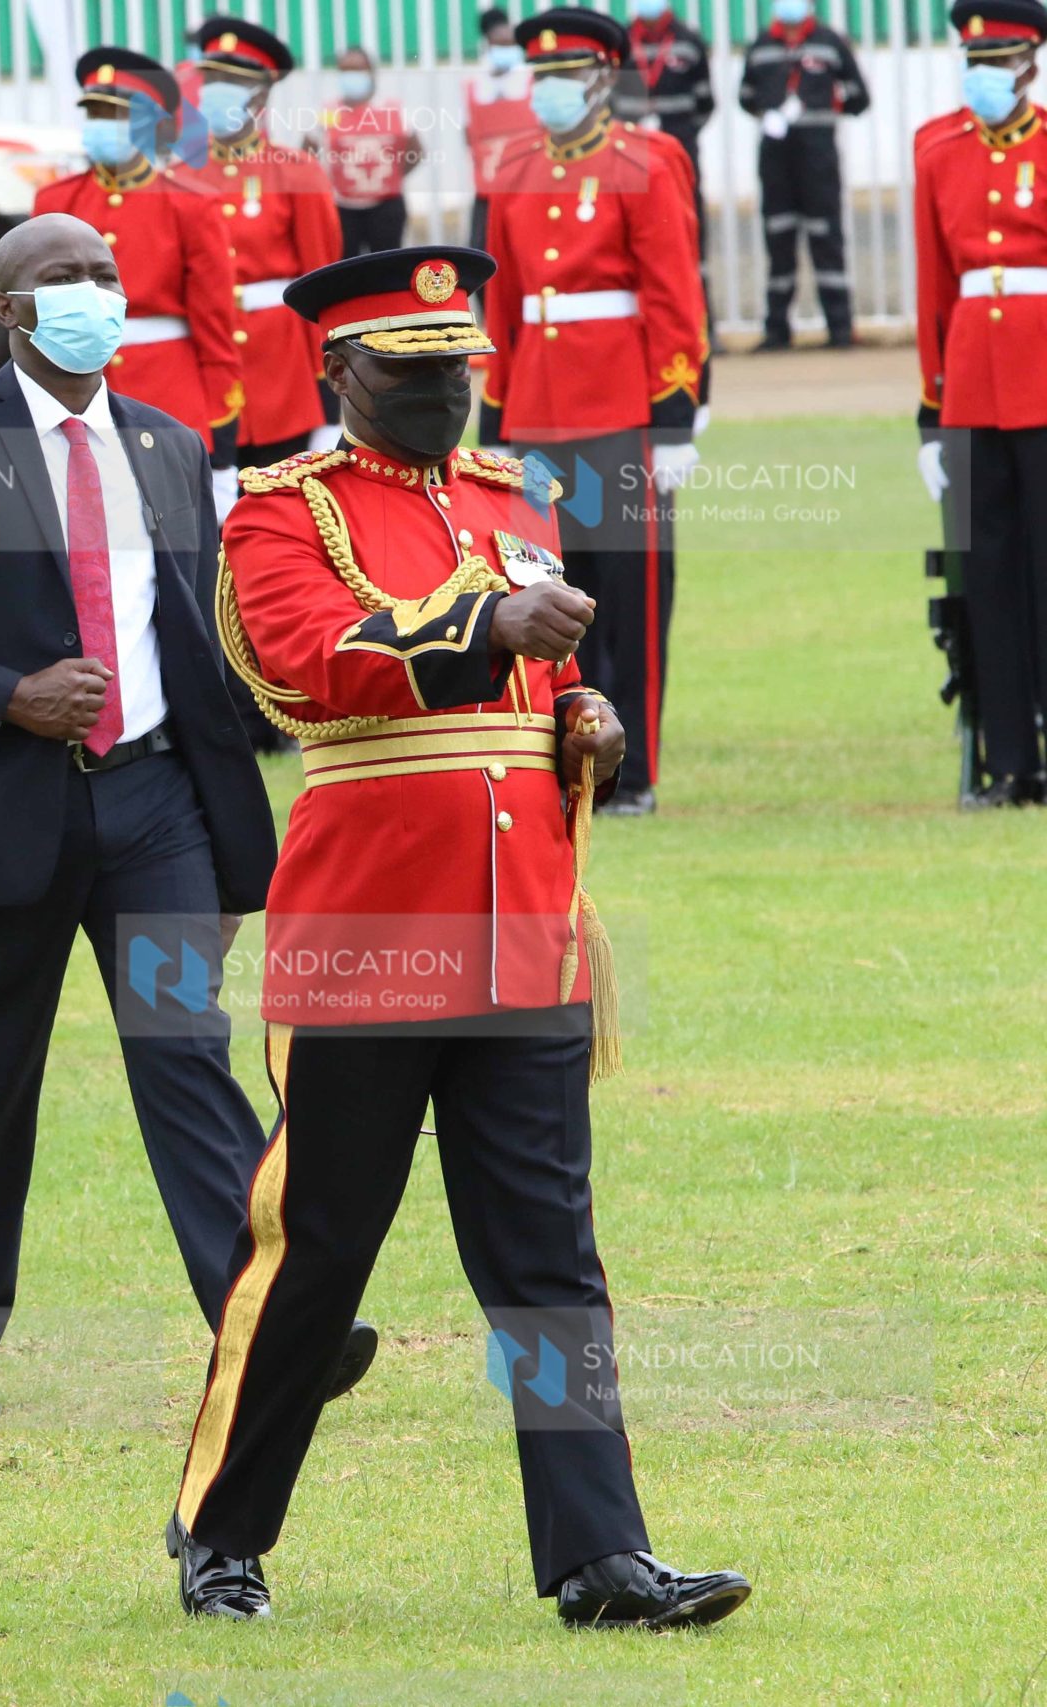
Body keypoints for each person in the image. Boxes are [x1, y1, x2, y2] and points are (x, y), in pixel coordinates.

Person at [170, 243, 752, 1632]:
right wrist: (490, 621)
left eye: (458, 371)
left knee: (551, 1259)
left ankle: (602, 1557)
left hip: (526, 930)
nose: (444, 397)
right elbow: (312, 661)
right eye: (411, 374)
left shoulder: (509, 492)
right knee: (316, 1249)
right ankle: (220, 1531)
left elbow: (544, 679)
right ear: (339, 373)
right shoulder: (280, 511)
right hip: (370, 934)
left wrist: (582, 717)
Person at [0, 213, 379, 1425]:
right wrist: (6, 696)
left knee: (184, 1050)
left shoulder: (167, 443)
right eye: (61, 278)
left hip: (152, 810)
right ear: (7, 310)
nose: (92, 293)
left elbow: (193, 645)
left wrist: (244, 820)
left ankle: (268, 1322)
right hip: (2, 809)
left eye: (103, 274)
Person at [480, 9, 706, 816]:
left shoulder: (646, 160)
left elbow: (674, 295)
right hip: (537, 410)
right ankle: (562, 754)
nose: (551, 92)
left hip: (621, 407)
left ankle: (632, 771)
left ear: (604, 79)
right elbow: (501, 306)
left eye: (567, 77)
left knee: (630, 591)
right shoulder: (513, 167)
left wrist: (674, 419)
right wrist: (496, 427)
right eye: (541, 78)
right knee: (544, 586)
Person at [915, 0, 1047, 805]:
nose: (983, 77)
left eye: (997, 63)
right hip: (969, 386)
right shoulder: (938, 149)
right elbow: (935, 284)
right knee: (987, 577)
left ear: (1028, 65)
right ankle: (1011, 760)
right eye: (975, 63)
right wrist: (932, 414)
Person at [34, 48, 244, 479]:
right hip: (73, 390)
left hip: (165, 388)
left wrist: (220, 407)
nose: (100, 125)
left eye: (115, 115)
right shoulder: (56, 201)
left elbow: (214, 318)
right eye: (94, 114)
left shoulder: (189, 205)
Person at [181, 17, 345, 488]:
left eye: (229, 82)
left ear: (260, 95)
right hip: (205, 371)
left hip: (282, 377)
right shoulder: (181, 176)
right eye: (211, 80)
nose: (214, 92)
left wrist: (327, 399)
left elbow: (322, 292)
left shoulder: (296, 173)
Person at [738, 0, 870, 348]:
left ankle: (840, 330)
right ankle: (776, 331)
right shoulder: (762, 45)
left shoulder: (830, 42)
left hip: (818, 160)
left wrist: (828, 107)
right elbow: (746, 97)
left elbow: (859, 96)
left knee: (826, 241)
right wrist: (770, 114)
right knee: (779, 242)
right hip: (776, 161)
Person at [616, 0, 717, 232]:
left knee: (685, 203)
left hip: (679, 141)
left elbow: (705, 100)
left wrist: (685, 130)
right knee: (632, 208)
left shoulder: (688, 40)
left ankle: (694, 255)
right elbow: (610, 100)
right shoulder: (622, 41)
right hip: (631, 145)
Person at [322, 46, 423, 258]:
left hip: (386, 206)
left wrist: (390, 177)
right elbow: (307, 153)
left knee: (386, 267)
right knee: (346, 269)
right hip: (342, 207)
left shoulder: (393, 109)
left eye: (357, 69)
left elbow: (416, 151)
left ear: (371, 72)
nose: (351, 76)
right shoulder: (329, 112)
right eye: (345, 70)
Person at [465, 8, 539, 259]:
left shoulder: (532, 81)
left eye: (510, 43)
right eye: (501, 44)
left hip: (529, 186)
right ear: (488, 44)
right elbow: (467, 134)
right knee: (483, 254)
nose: (506, 49)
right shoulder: (473, 86)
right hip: (489, 190)